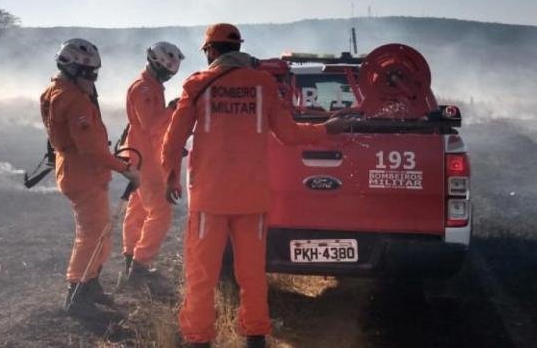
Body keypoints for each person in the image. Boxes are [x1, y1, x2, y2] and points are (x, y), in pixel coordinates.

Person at [161, 23, 351, 347]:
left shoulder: (197, 85)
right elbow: (290, 135)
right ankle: (255, 337)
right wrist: (328, 129)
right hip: (252, 201)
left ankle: (198, 339)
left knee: (202, 277)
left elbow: (173, 139)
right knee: (252, 276)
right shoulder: (263, 84)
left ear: (210, 51)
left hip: (210, 200)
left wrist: (170, 177)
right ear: (239, 49)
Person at [39, 38, 141, 316]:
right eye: (88, 74)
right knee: (91, 235)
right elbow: (91, 150)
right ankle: (77, 295)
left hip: (75, 169)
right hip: (84, 174)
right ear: (72, 70)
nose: (93, 79)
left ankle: (91, 283)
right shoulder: (75, 101)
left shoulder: (53, 91)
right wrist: (125, 169)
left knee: (98, 231)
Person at [121, 41, 185, 279]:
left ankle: (131, 258)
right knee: (160, 211)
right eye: (167, 72)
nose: (169, 76)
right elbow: (151, 126)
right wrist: (172, 109)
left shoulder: (152, 86)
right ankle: (140, 265)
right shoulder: (144, 90)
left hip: (142, 155)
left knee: (137, 210)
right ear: (157, 65)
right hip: (144, 159)